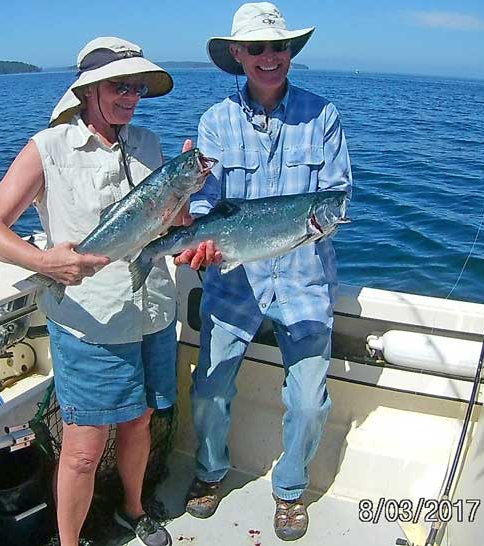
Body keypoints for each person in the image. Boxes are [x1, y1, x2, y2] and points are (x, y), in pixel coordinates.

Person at [0, 37, 198, 546]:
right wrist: (43, 260)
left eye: (138, 87)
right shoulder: (47, 149)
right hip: (90, 322)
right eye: (120, 86)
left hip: (154, 311)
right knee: (82, 449)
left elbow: (169, 226)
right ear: (88, 90)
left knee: (139, 422)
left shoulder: (149, 144)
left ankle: (133, 510)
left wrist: (184, 188)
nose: (131, 97)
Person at [175, 3, 353, 541]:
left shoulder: (323, 117)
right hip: (232, 283)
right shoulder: (214, 122)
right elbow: (204, 204)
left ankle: (291, 490)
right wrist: (198, 237)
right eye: (257, 49)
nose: (269, 58)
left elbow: (337, 196)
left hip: (303, 282)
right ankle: (209, 473)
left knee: (306, 399)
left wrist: (316, 224)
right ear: (237, 55)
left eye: (279, 48)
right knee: (208, 389)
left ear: (290, 53)